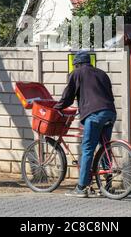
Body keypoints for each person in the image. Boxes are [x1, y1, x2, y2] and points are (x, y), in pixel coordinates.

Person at [54, 50, 116, 198]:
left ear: (78, 64)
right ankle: (107, 187)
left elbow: (68, 97)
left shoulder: (77, 73)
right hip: (110, 112)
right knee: (104, 147)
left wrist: (56, 107)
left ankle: (81, 187)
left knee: (87, 149)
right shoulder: (102, 74)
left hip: (94, 115)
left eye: (75, 65)